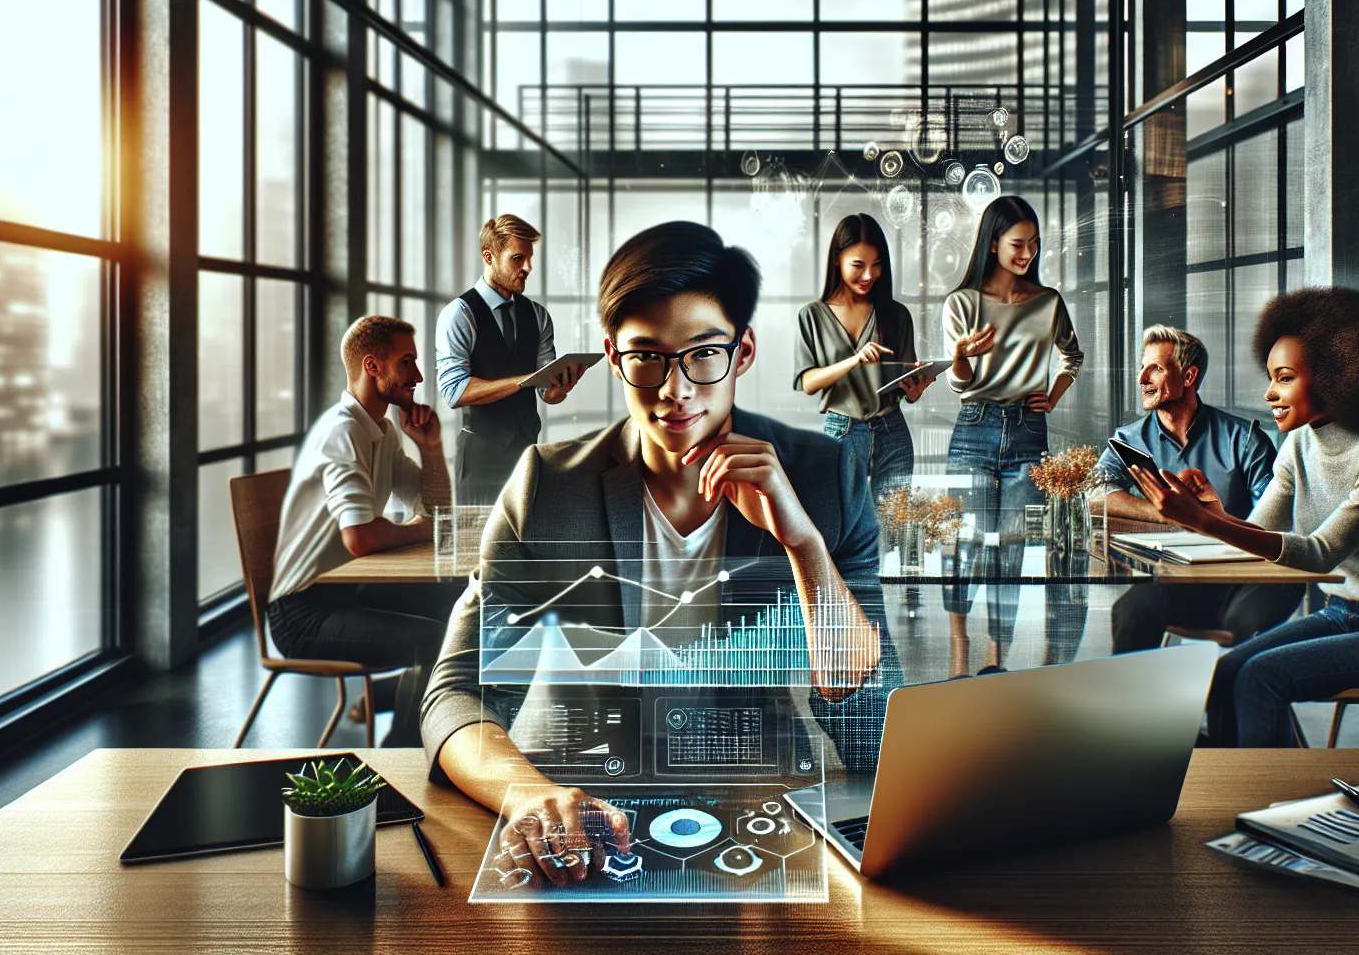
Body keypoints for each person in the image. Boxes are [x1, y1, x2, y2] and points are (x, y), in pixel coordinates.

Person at [421, 221, 899, 887]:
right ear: (614, 359)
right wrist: (525, 794)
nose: (676, 389)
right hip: (581, 822)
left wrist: (805, 546)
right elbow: (456, 693)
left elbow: (874, 734)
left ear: (743, 351)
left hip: (761, 820)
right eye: (647, 357)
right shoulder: (546, 486)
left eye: (703, 354)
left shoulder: (824, 479)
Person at [1128, 287, 1359, 748]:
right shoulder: (1299, 443)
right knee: (1227, 669)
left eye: (1285, 377)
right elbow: (1261, 532)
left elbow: (1319, 555)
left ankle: (1270, 803)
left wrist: (1206, 523)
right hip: (1340, 613)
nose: (1269, 392)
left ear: (1338, 377)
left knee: (1261, 677)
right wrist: (1213, 514)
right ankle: (1232, 790)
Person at [267, 315, 463, 747]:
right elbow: (360, 538)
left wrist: (430, 448)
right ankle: (403, 763)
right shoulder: (343, 431)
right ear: (372, 367)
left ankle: (399, 697)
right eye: (407, 361)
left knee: (462, 603)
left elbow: (436, 509)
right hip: (302, 613)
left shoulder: (382, 430)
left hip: (350, 588)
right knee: (431, 638)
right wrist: (420, 530)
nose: (416, 375)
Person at [1090, 325, 1303, 652]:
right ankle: (1135, 703)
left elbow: (1277, 527)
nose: (1142, 378)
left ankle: (1243, 698)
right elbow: (1094, 495)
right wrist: (1171, 514)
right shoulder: (1128, 439)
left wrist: (1206, 519)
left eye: (1156, 368)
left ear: (1188, 377)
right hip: (1179, 580)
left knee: (1246, 630)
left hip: (1250, 579)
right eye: (1142, 367)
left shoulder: (1245, 439)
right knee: (1131, 609)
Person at [940, 195, 1084, 659]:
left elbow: (1072, 356)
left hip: (1028, 431)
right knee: (963, 542)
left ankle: (995, 655)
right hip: (975, 425)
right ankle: (959, 644)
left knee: (1012, 550)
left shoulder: (1048, 303)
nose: (1027, 254)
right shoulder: (961, 303)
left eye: (1034, 245)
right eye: (1018, 244)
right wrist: (961, 358)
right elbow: (959, 383)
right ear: (994, 242)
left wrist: (1054, 394)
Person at [436, 214, 579, 507]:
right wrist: (524, 381)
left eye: (529, 259)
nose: (527, 268)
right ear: (489, 256)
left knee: (527, 545)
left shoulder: (538, 315)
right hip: (479, 459)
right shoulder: (459, 314)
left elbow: (546, 392)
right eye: (517, 258)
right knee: (476, 547)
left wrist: (558, 389)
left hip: (527, 455)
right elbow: (454, 392)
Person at [794, 213, 932, 506]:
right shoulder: (813, 315)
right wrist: (854, 360)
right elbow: (808, 383)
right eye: (858, 265)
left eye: (877, 265)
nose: (869, 275)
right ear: (836, 260)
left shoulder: (896, 315)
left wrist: (915, 390)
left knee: (892, 532)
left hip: (892, 431)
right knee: (848, 532)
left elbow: (906, 386)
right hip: (842, 432)